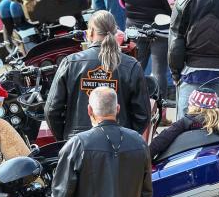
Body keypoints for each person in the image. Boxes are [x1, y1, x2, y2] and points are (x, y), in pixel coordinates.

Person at [45, 11, 150, 140]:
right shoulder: (131, 65)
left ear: (91, 32)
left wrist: (66, 139)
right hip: (118, 144)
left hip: (78, 143)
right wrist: (126, 139)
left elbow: (52, 109)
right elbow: (142, 114)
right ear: (115, 32)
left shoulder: (70, 63)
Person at [119, 0, 176, 99]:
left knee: (133, 68)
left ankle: (125, 103)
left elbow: (122, 3)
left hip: (134, 29)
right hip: (159, 31)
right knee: (159, 71)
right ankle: (160, 110)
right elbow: (175, 8)